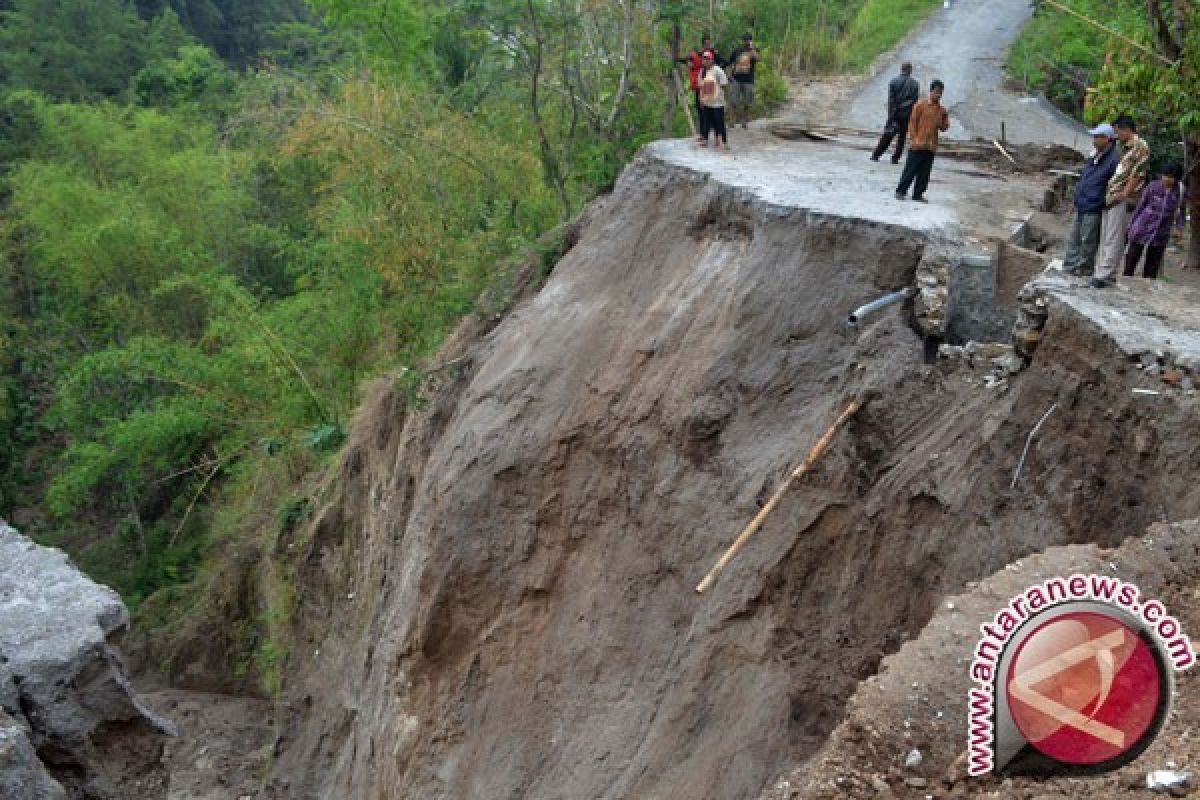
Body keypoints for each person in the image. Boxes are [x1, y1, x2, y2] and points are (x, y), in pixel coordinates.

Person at [1091, 115, 1150, 288]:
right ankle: (1102, 271)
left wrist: (1125, 193)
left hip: (1121, 197)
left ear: (1126, 130)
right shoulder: (1124, 148)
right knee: (1106, 236)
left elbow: (1138, 174)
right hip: (1112, 196)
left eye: (1118, 132)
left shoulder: (1140, 147)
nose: (1116, 136)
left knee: (1114, 237)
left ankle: (1105, 273)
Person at [1063, 123, 1119, 276]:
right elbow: (1084, 179)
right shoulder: (1094, 155)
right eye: (1094, 137)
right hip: (1082, 203)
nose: (1094, 140)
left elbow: (1112, 185)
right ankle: (1070, 266)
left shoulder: (1113, 160)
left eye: (1097, 137)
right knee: (1074, 238)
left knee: (1088, 241)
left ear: (1107, 139)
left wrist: (1101, 202)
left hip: (1094, 206)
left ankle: (1083, 269)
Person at [1124, 163, 1185, 279]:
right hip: (1142, 227)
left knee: (1153, 263)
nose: (1167, 179)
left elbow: (1181, 211)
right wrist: (1131, 225)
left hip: (1162, 231)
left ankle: (1148, 284)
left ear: (1176, 178)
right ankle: (1127, 277)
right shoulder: (1153, 187)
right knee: (1132, 256)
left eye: (1171, 177)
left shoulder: (1180, 191)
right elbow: (1140, 206)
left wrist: (1179, 228)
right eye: (1165, 175)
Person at [895, 79, 949, 203]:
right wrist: (914, 140)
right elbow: (912, 124)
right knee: (910, 169)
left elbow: (944, 127)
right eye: (936, 92)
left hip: (930, 145)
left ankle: (918, 194)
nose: (938, 95)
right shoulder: (920, 106)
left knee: (925, 173)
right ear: (930, 91)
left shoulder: (941, 110)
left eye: (940, 93)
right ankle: (901, 191)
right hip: (917, 144)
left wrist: (944, 120)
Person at [871, 62, 920, 163]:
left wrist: (891, 116)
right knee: (901, 138)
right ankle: (895, 158)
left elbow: (891, 101)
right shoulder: (915, 84)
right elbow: (914, 102)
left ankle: (876, 155)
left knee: (887, 135)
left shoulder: (893, 82)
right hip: (907, 115)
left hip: (895, 114)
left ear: (901, 69)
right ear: (910, 70)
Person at [678, 35, 715, 141]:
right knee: (701, 110)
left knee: (706, 109)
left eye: (709, 44)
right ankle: (704, 133)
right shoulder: (696, 55)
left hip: (707, 85)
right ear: (703, 44)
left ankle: (707, 132)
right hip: (699, 86)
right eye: (706, 44)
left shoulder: (711, 55)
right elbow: (685, 60)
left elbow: (722, 62)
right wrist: (677, 59)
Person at [697, 50, 729, 150]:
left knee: (719, 121)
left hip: (717, 101)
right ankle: (706, 139)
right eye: (704, 59)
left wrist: (718, 92)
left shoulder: (718, 70)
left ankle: (722, 140)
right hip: (707, 100)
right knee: (707, 120)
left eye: (707, 59)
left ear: (711, 60)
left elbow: (724, 84)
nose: (705, 61)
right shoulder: (702, 71)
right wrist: (701, 98)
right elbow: (700, 85)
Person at [727, 33, 759, 129]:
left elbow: (757, 58)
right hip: (736, 79)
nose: (746, 42)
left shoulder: (754, 51)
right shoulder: (737, 50)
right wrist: (729, 74)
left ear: (751, 41)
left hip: (748, 80)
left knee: (747, 102)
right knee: (733, 101)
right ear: (742, 41)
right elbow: (730, 62)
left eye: (748, 40)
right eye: (745, 40)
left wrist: (752, 48)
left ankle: (744, 121)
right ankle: (732, 121)